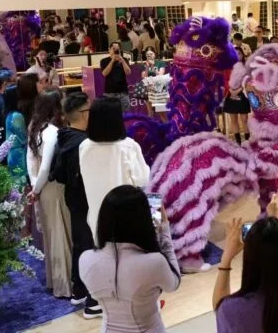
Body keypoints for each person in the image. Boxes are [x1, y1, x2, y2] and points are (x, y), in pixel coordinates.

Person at [80, 185, 181, 332]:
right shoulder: (154, 262)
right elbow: (173, 283)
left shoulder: (85, 259)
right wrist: (164, 230)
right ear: (142, 221)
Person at [51, 92, 101, 317]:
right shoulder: (84, 144)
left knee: (80, 244)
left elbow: (58, 173)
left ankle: (78, 291)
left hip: (73, 198)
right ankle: (93, 301)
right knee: (91, 246)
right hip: (86, 200)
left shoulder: (64, 137)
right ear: (83, 114)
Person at [80, 97, 150, 242]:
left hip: (96, 214)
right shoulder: (128, 146)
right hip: (126, 213)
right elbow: (142, 179)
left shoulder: (84, 146)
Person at [26, 90, 73, 298]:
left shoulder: (35, 129)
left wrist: (35, 187)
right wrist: (37, 188)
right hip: (53, 188)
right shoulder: (53, 132)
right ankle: (65, 283)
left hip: (42, 188)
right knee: (61, 233)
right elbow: (46, 166)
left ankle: (55, 281)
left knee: (52, 234)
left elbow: (31, 163)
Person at [4, 84, 28, 186]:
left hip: (13, 153)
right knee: (20, 183)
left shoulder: (10, 114)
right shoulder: (17, 116)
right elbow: (23, 137)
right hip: (18, 154)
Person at [101, 42, 132, 111]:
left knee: (126, 115)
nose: (115, 50)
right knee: (111, 115)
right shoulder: (104, 61)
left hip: (123, 92)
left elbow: (128, 72)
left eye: (117, 49)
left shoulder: (124, 59)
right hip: (110, 93)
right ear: (109, 49)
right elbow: (104, 73)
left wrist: (123, 61)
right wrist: (112, 60)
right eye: (113, 48)